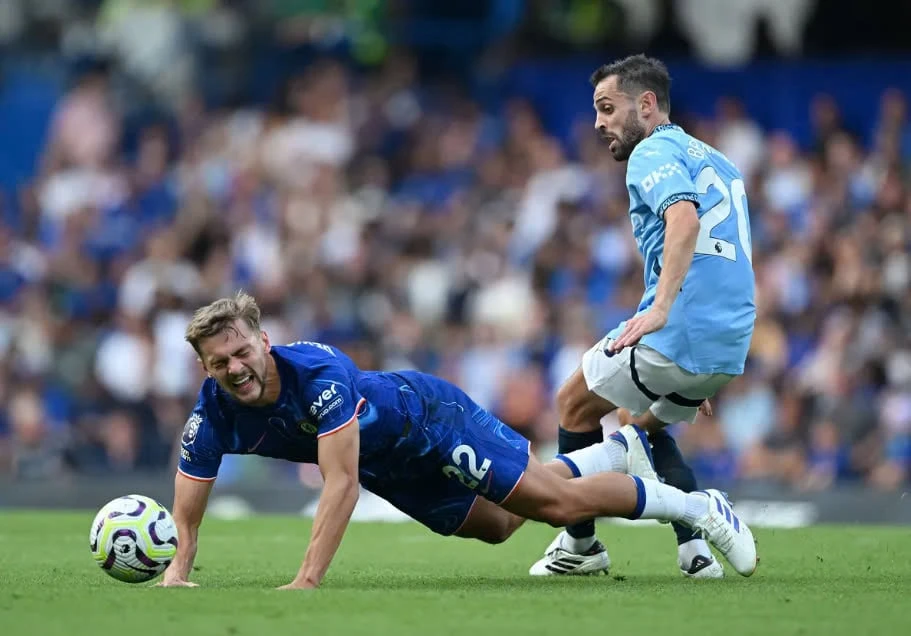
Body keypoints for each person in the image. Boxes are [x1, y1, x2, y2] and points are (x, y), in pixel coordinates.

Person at [158, 292, 756, 589]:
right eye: (219, 362)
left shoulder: (316, 375)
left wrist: (306, 581)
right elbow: (189, 499)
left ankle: (698, 507)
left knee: (555, 506)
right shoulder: (211, 415)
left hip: (431, 421)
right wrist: (178, 570)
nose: (234, 367)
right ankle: (612, 453)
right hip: (392, 468)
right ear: (205, 368)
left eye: (241, 351)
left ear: (264, 342)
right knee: (499, 527)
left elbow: (339, 483)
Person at [529, 54, 756, 579]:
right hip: (727, 339)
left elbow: (683, 221)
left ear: (647, 104)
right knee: (639, 423)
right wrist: (706, 358)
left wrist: (662, 311)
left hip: (686, 326)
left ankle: (581, 545)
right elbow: (734, 256)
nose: (598, 122)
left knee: (573, 404)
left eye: (608, 108)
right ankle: (694, 550)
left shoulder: (652, 150)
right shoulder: (719, 161)